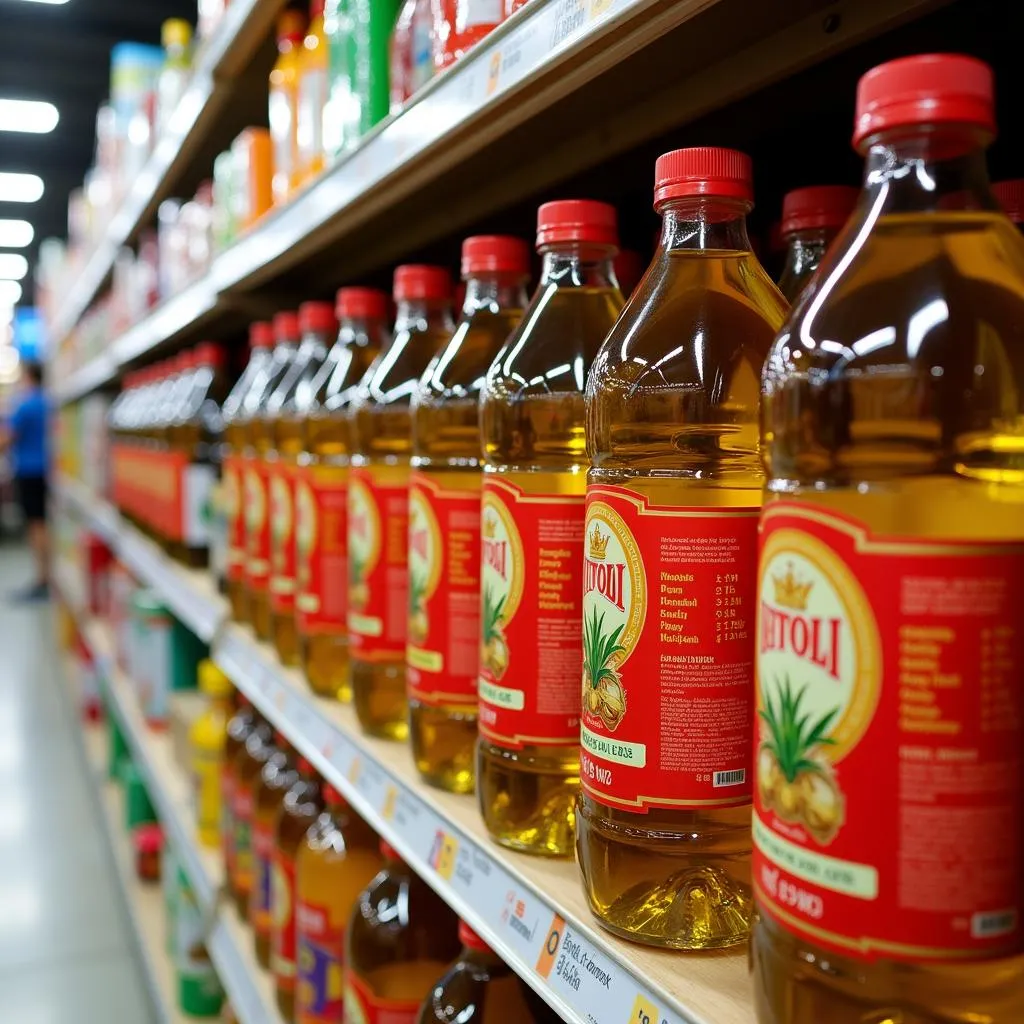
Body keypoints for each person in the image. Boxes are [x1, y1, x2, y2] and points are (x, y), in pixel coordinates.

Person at [1, 361, 49, 600]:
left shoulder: (25, 405)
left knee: (35, 525)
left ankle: (42, 579)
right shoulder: (46, 401)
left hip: (28, 471)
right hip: (45, 469)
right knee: (42, 522)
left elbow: (6, 439)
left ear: (29, 376)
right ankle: (46, 576)